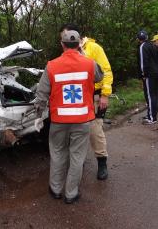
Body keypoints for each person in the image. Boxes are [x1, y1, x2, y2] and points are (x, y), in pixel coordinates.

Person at [35, 30, 103, 204]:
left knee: (58, 154)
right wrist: (84, 56)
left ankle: (56, 189)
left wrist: (38, 116)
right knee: (77, 157)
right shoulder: (89, 63)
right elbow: (100, 76)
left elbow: (41, 94)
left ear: (62, 44)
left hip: (59, 121)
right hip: (82, 121)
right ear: (80, 44)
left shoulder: (51, 65)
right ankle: (71, 194)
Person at [60, 23, 113, 180]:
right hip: (76, 96)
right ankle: (78, 162)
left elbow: (106, 71)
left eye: (65, 35)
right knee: (75, 131)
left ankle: (102, 162)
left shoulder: (94, 48)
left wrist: (105, 94)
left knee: (95, 130)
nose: (63, 39)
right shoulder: (67, 51)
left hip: (94, 96)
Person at [137, 30, 158, 124]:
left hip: (150, 74)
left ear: (139, 39)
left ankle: (152, 118)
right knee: (155, 94)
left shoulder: (142, 46)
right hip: (157, 72)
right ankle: (152, 113)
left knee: (150, 96)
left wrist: (143, 74)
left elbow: (143, 62)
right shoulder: (153, 45)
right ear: (147, 37)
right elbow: (157, 59)